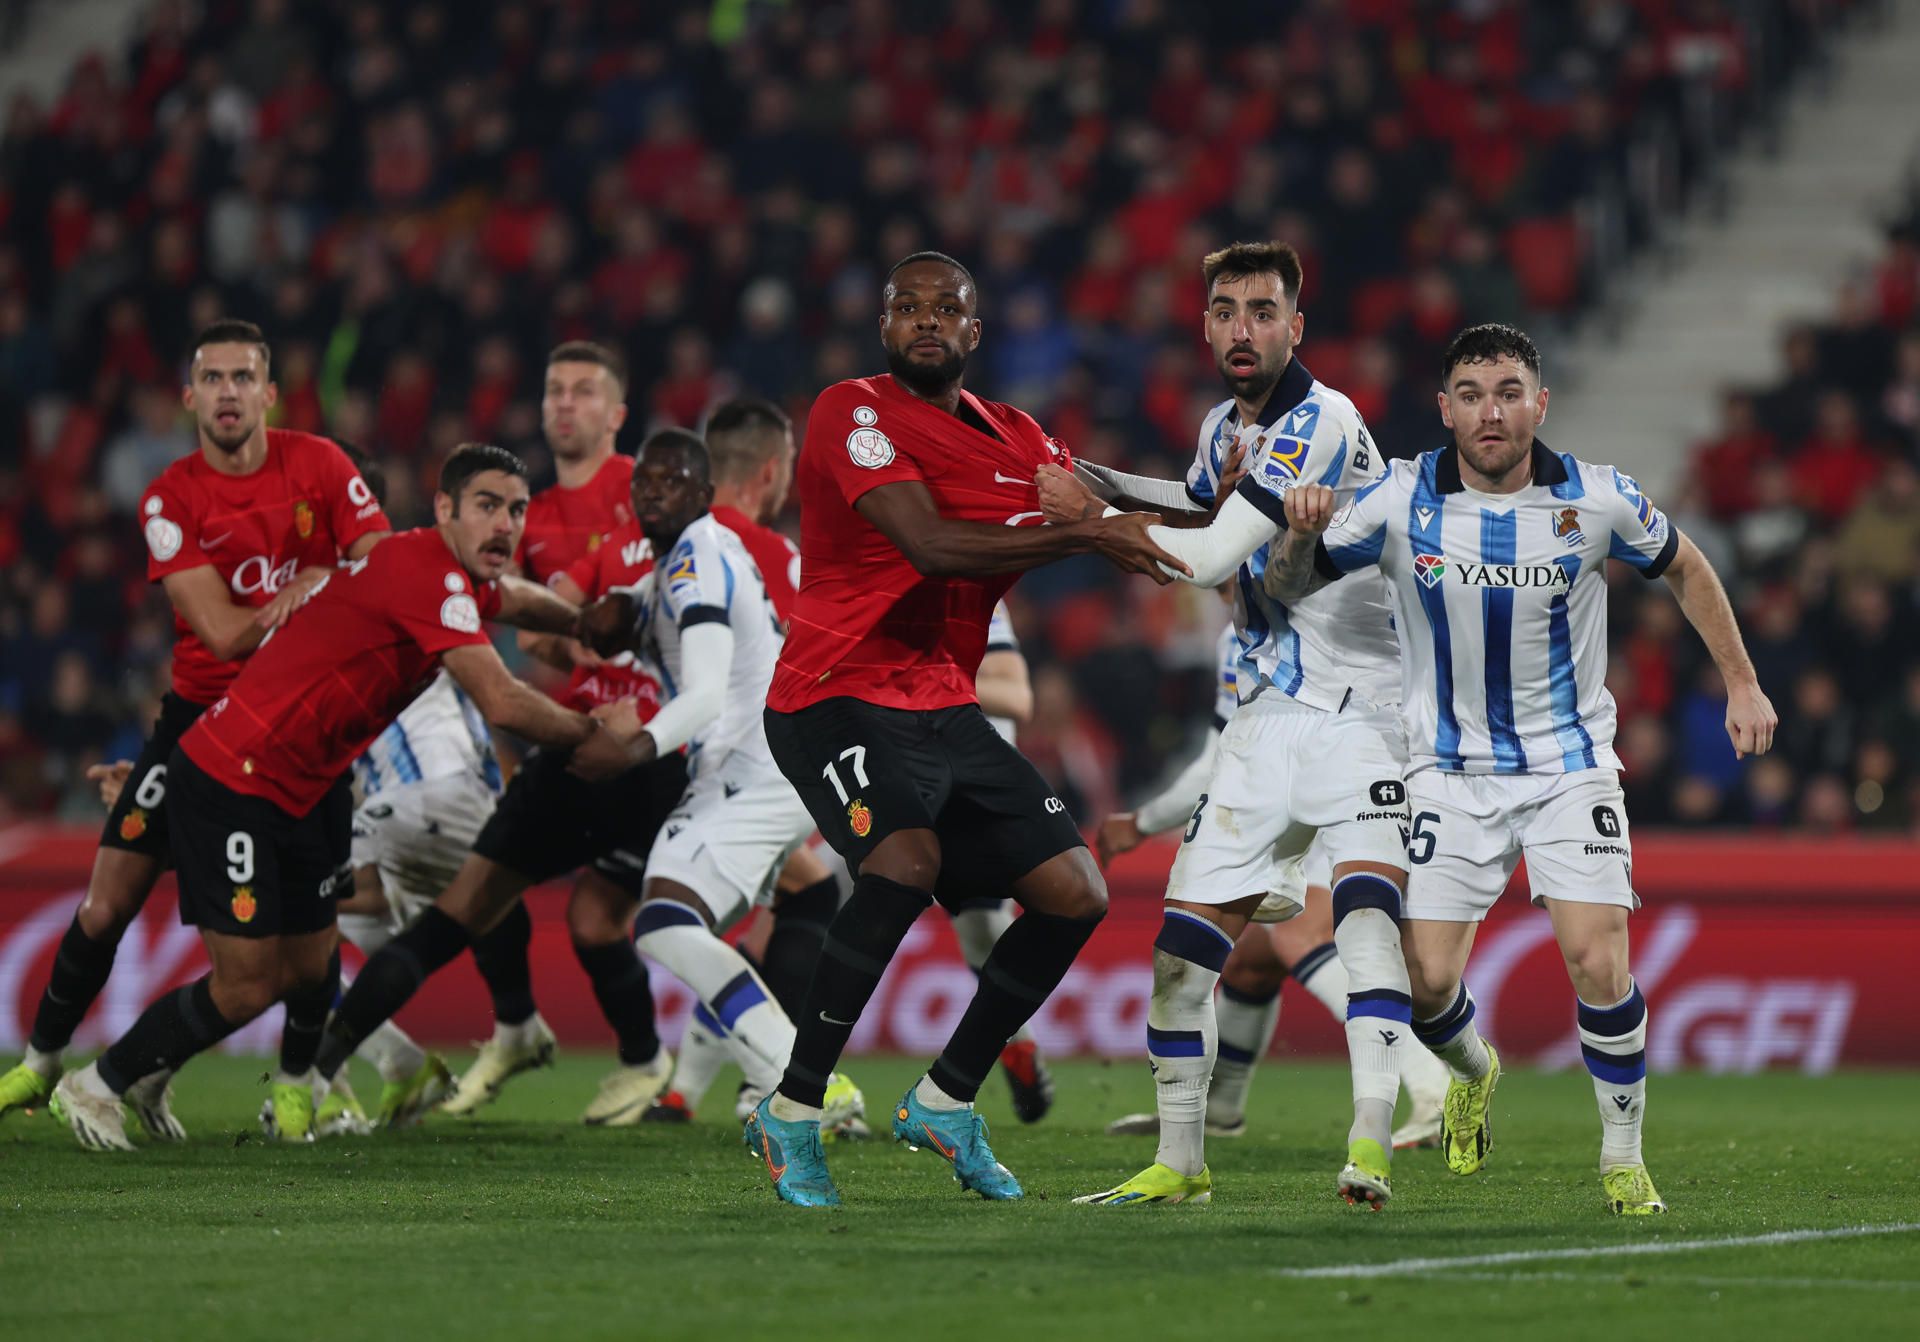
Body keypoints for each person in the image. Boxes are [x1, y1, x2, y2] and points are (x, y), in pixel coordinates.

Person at [1264, 322, 1778, 1214]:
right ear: (1444, 410)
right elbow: (1288, 587)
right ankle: (1474, 1069)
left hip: (1568, 767)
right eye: (1470, 394)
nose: (1490, 411)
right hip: (1443, 772)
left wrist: (1742, 682)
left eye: (1508, 392)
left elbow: (1688, 567)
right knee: (1426, 987)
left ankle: (1623, 1160)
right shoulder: (1396, 498)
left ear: (1540, 403)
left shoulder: (1598, 499)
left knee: (1597, 960)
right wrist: (1298, 532)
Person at [741, 250, 1182, 1208]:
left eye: (949, 309)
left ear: (977, 333)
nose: (927, 320)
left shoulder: (1015, 433)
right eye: (909, 307)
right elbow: (931, 543)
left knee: (1074, 892)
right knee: (904, 862)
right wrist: (1087, 532)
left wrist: (1237, 492)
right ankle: (792, 1107)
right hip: (830, 692)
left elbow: (1116, 495)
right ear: (885, 326)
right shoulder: (848, 413)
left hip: (940, 701)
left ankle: (944, 1100)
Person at [51, 444, 607, 1150]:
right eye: (488, 506)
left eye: (518, 510)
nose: (505, 524)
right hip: (235, 781)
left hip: (303, 791)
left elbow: (517, 597)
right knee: (249, 985)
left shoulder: (450, 574)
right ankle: (96, 1082)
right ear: (444, 510)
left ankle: (242, 1085)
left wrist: (578, 622)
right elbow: (501, 700)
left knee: (312, 971)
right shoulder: (424, 573)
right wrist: (597, 735)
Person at [1047, 241, 1415, 1211]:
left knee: (1362, 924)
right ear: (1205, 326)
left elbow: (1210, 557)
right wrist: (1103, 481)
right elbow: (1208, 505)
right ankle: (1183, 1162)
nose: (1243, 328)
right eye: (1225, 310)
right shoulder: (1224, 426)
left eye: (1263, 310)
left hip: (1366, 713)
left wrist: (1086, 520)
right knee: (1183, 955)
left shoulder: (1322, 421)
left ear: (1297, 324)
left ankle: (1384, 1130)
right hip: (1266, 713)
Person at [0, 320, 390, 1132]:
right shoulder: (170, 496)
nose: (227, 393)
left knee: (307, 950)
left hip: (300, 730)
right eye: (211, 378)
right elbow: (220, 633)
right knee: (107, 905)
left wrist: (323, 576)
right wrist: (324, 587)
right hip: (198, 726)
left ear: (269, 393)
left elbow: (383, 565)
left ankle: (261, 1087)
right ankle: (39, 1065)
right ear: (188, 397)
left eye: (243, 377)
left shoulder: (320, 462)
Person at [568, 430, 860, 1128]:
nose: (653, 492)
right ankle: (760, 1087)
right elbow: (617, 618)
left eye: (672, 482)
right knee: (692, 930)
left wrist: (630, 748)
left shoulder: (696, 558)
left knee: (666, 923)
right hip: (771, 765)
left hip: (753, 767)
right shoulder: (685, 558)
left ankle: (804, 1086)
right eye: (645, 481)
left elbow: (701, 696)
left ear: (703, 495)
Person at [1098, 621, 1449, 1147]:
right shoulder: (1240, 626)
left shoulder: (1300, 602)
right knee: (1252, 959)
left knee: (1301, 934)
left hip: (1356, 772)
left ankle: (1432, 1089)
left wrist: (1143, 822)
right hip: (1327, 776)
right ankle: (1221, 1108)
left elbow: (1216, 759)